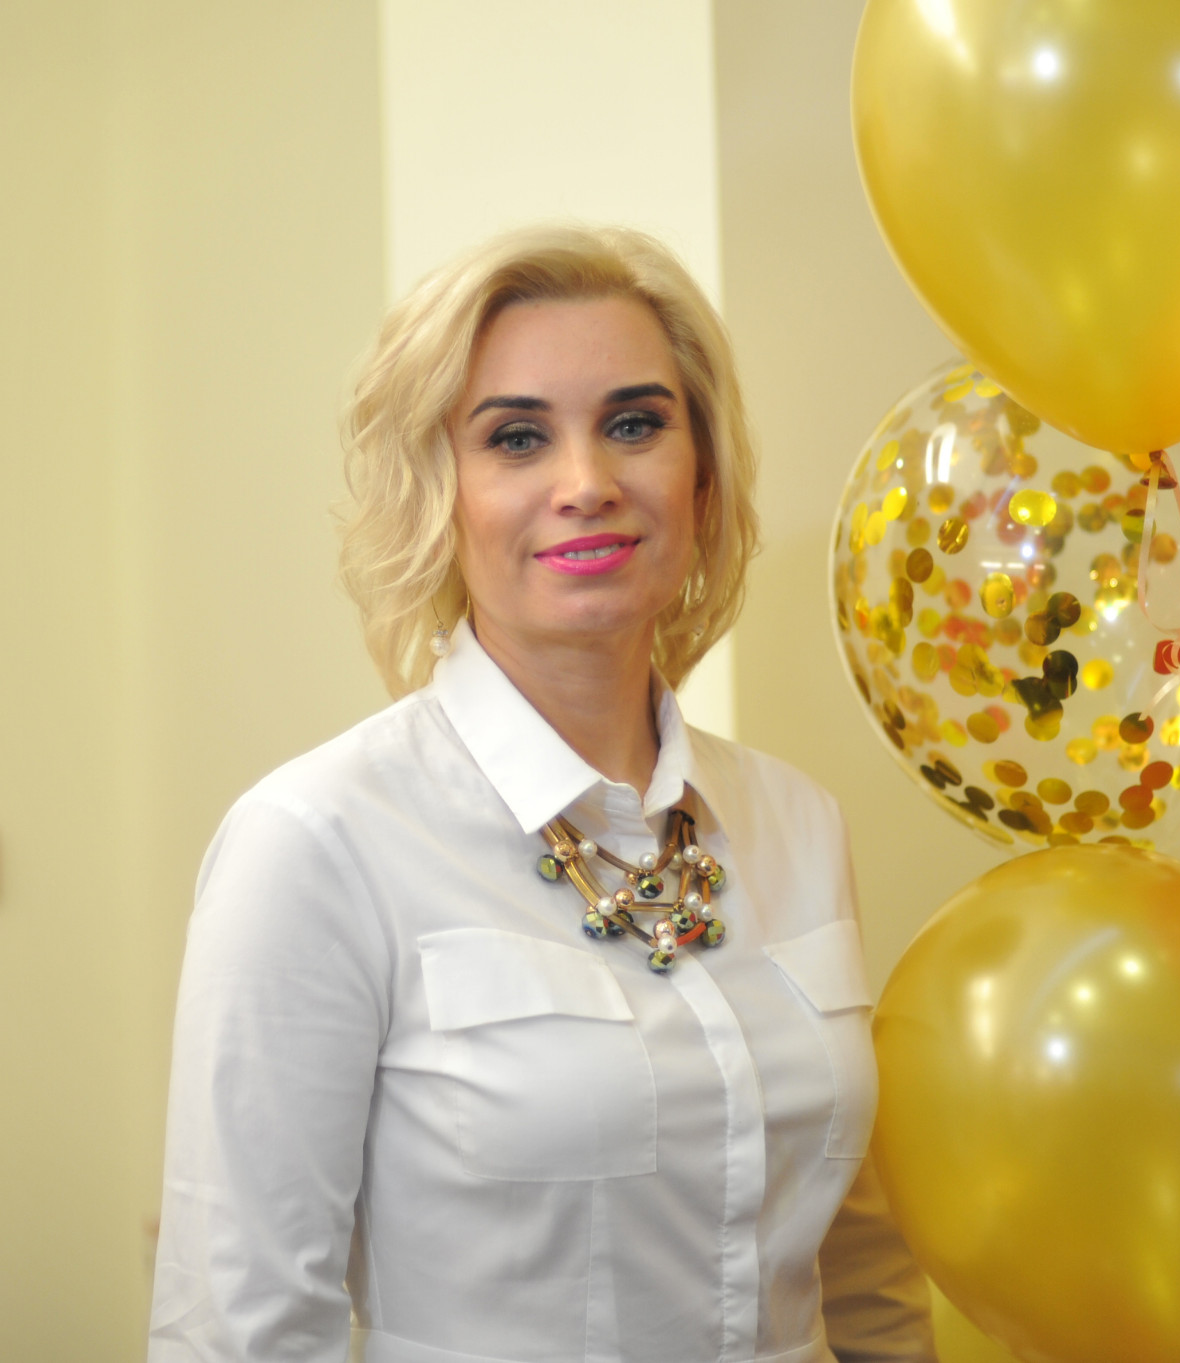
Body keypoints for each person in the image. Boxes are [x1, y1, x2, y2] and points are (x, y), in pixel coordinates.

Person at [148, 224, 936, 1363]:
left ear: (702, 475)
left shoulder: (797, 822)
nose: (588, 484)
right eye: (516, 437)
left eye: (635, 424)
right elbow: (241, 1328)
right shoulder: (315, 843)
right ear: (440, 493)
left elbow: (861, 1278)